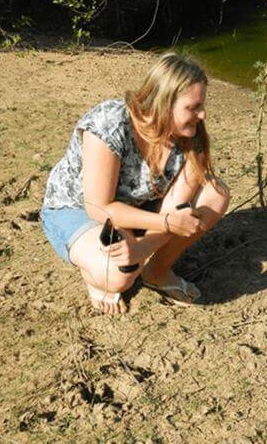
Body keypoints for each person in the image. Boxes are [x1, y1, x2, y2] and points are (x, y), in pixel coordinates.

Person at [40, 53, 230, 315]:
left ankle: (157, 271)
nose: (202, 114)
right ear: (164, 103)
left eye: (202, 105)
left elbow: (177, 209)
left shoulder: (190, 135)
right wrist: (166, 225)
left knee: (215, 194)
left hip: (135, 208)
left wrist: (141, 248)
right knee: (118, 277)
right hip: (80, 209)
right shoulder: (109, 124)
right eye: (193, 107)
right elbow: (99, 207)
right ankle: (98, 275)